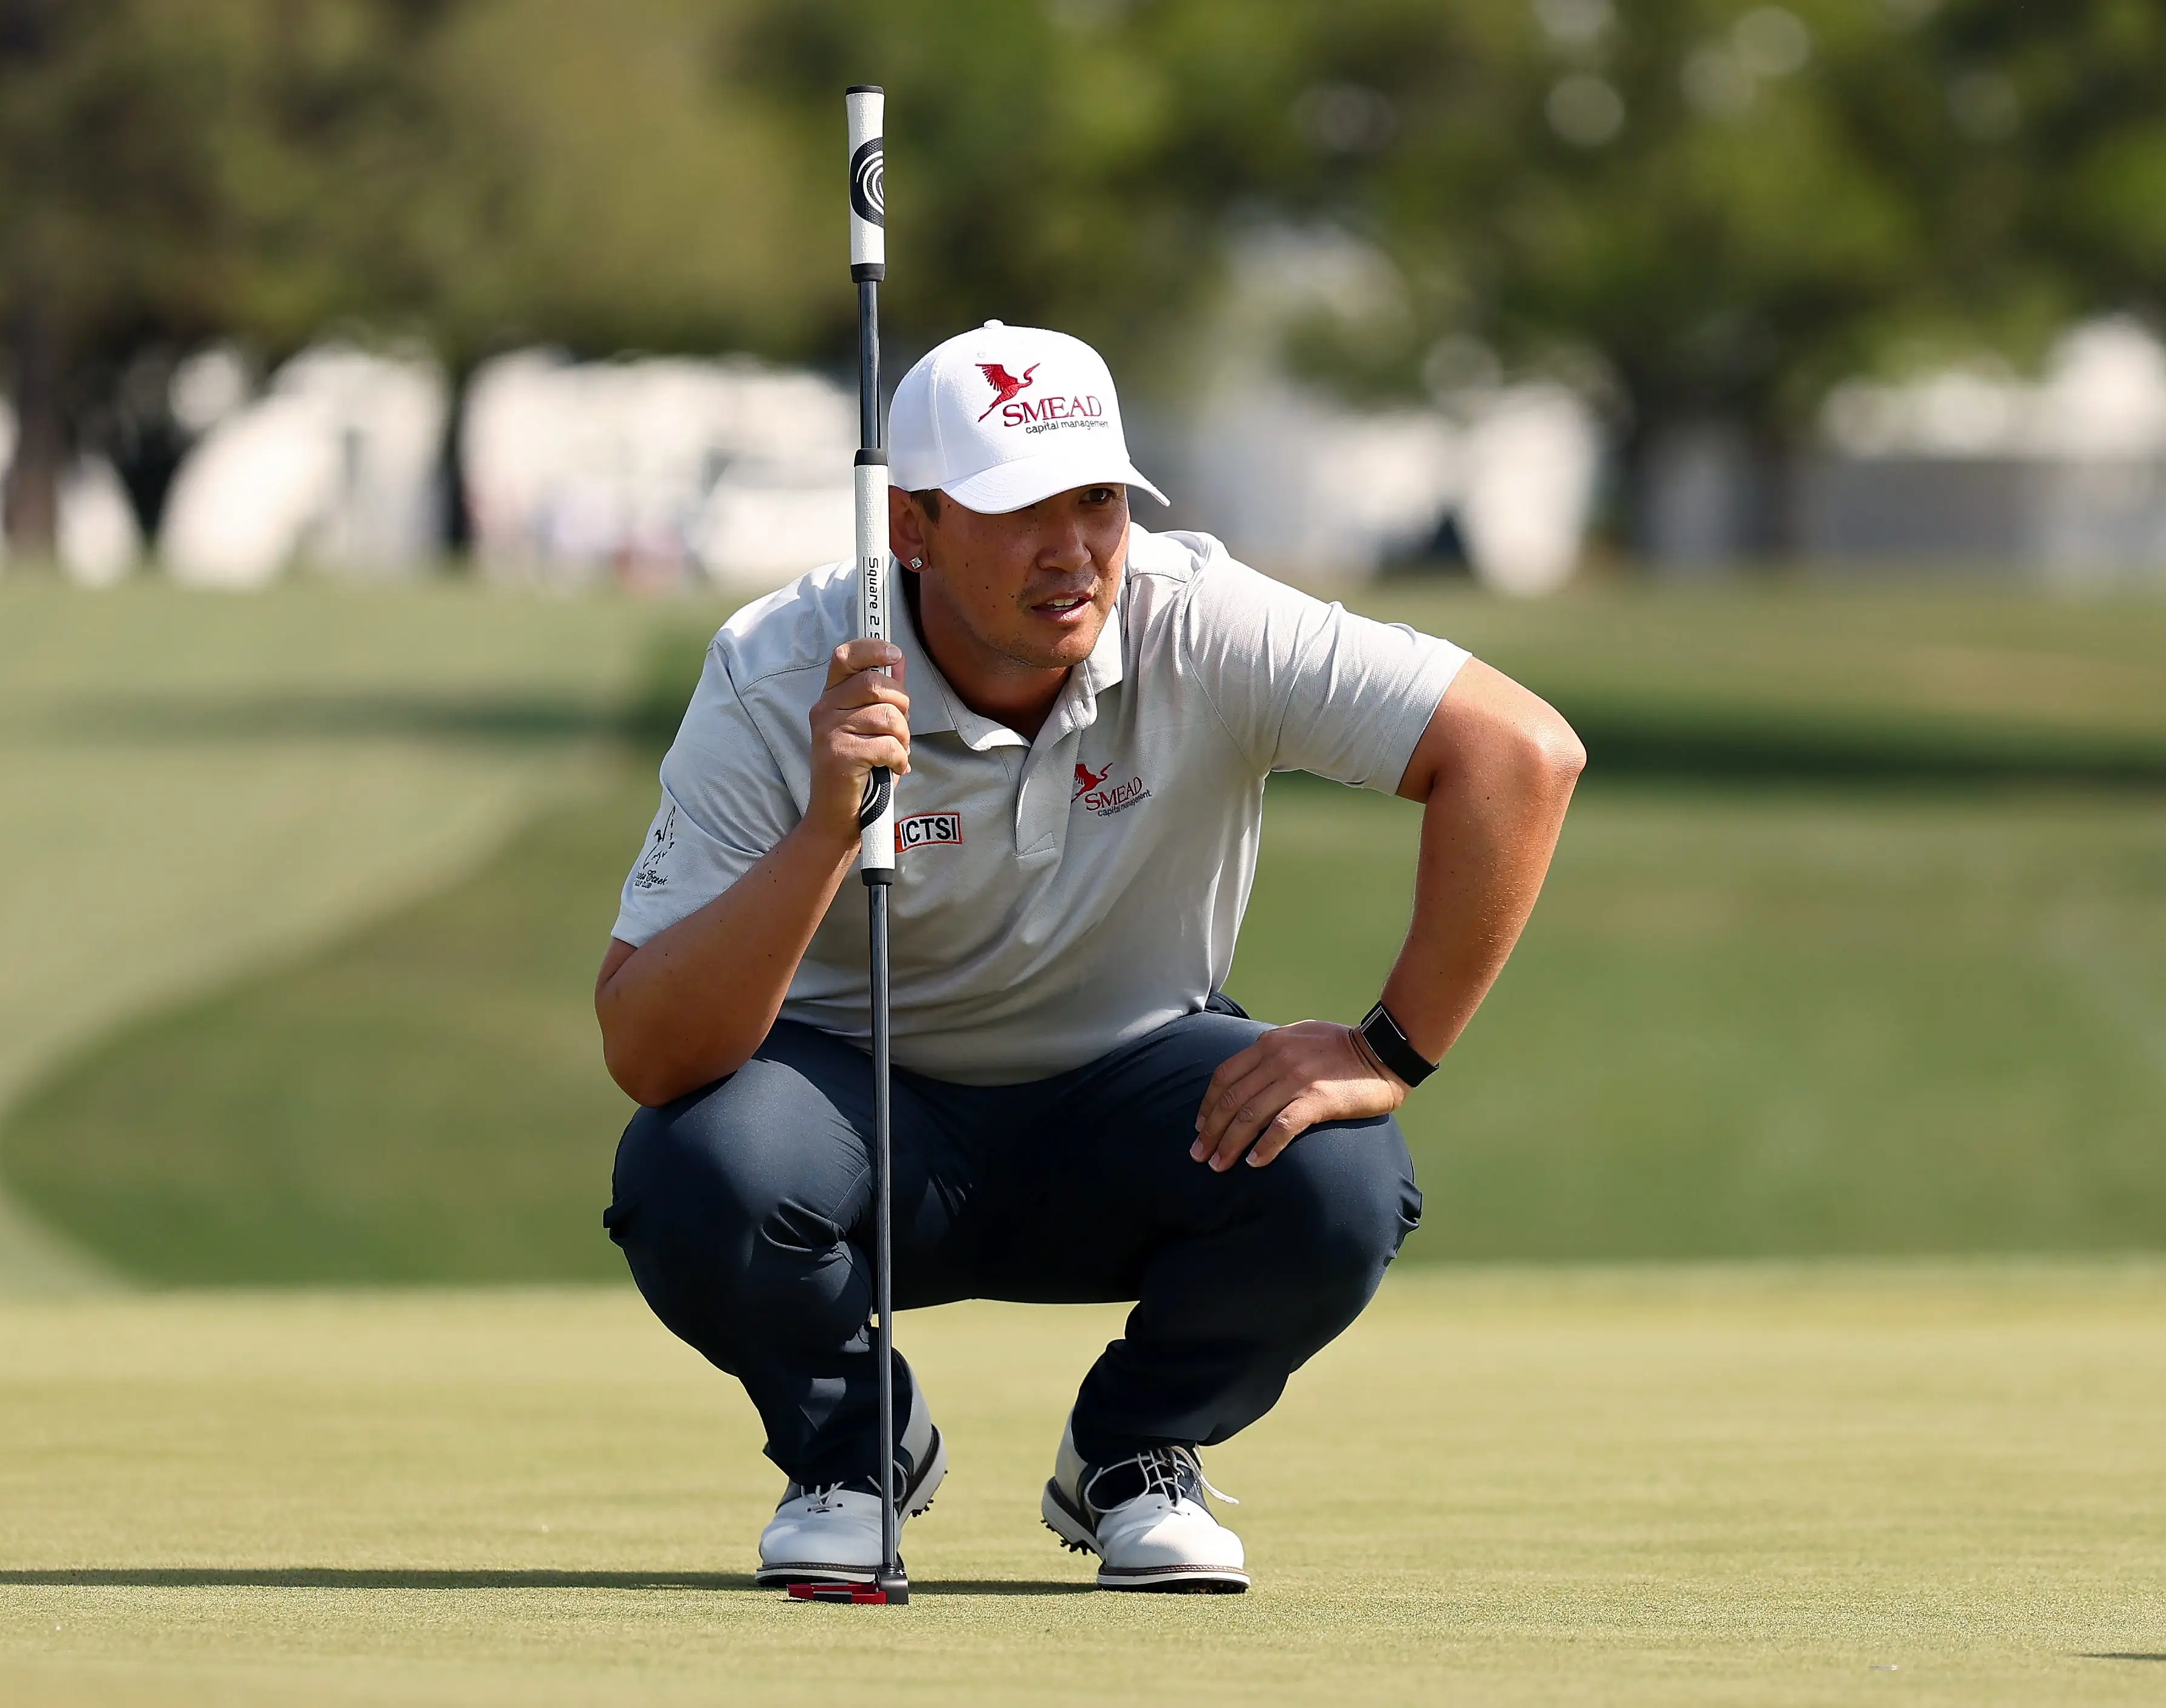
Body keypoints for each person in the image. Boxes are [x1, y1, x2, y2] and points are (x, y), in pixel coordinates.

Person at [595, 321, 1584, 1594]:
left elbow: (1520, 755)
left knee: (1337, 1172)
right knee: (695, 1168)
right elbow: (648, 1047)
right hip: (854, 1113)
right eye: (1020, 508)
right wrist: (825, 830)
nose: (1074, 548)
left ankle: (1131, 1455)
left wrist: (1388, 1047)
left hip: (1134, 1100)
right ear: (913, 526)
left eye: (1101, 499)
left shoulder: (1200, 618)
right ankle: (852, 1457)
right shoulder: (779, 669)